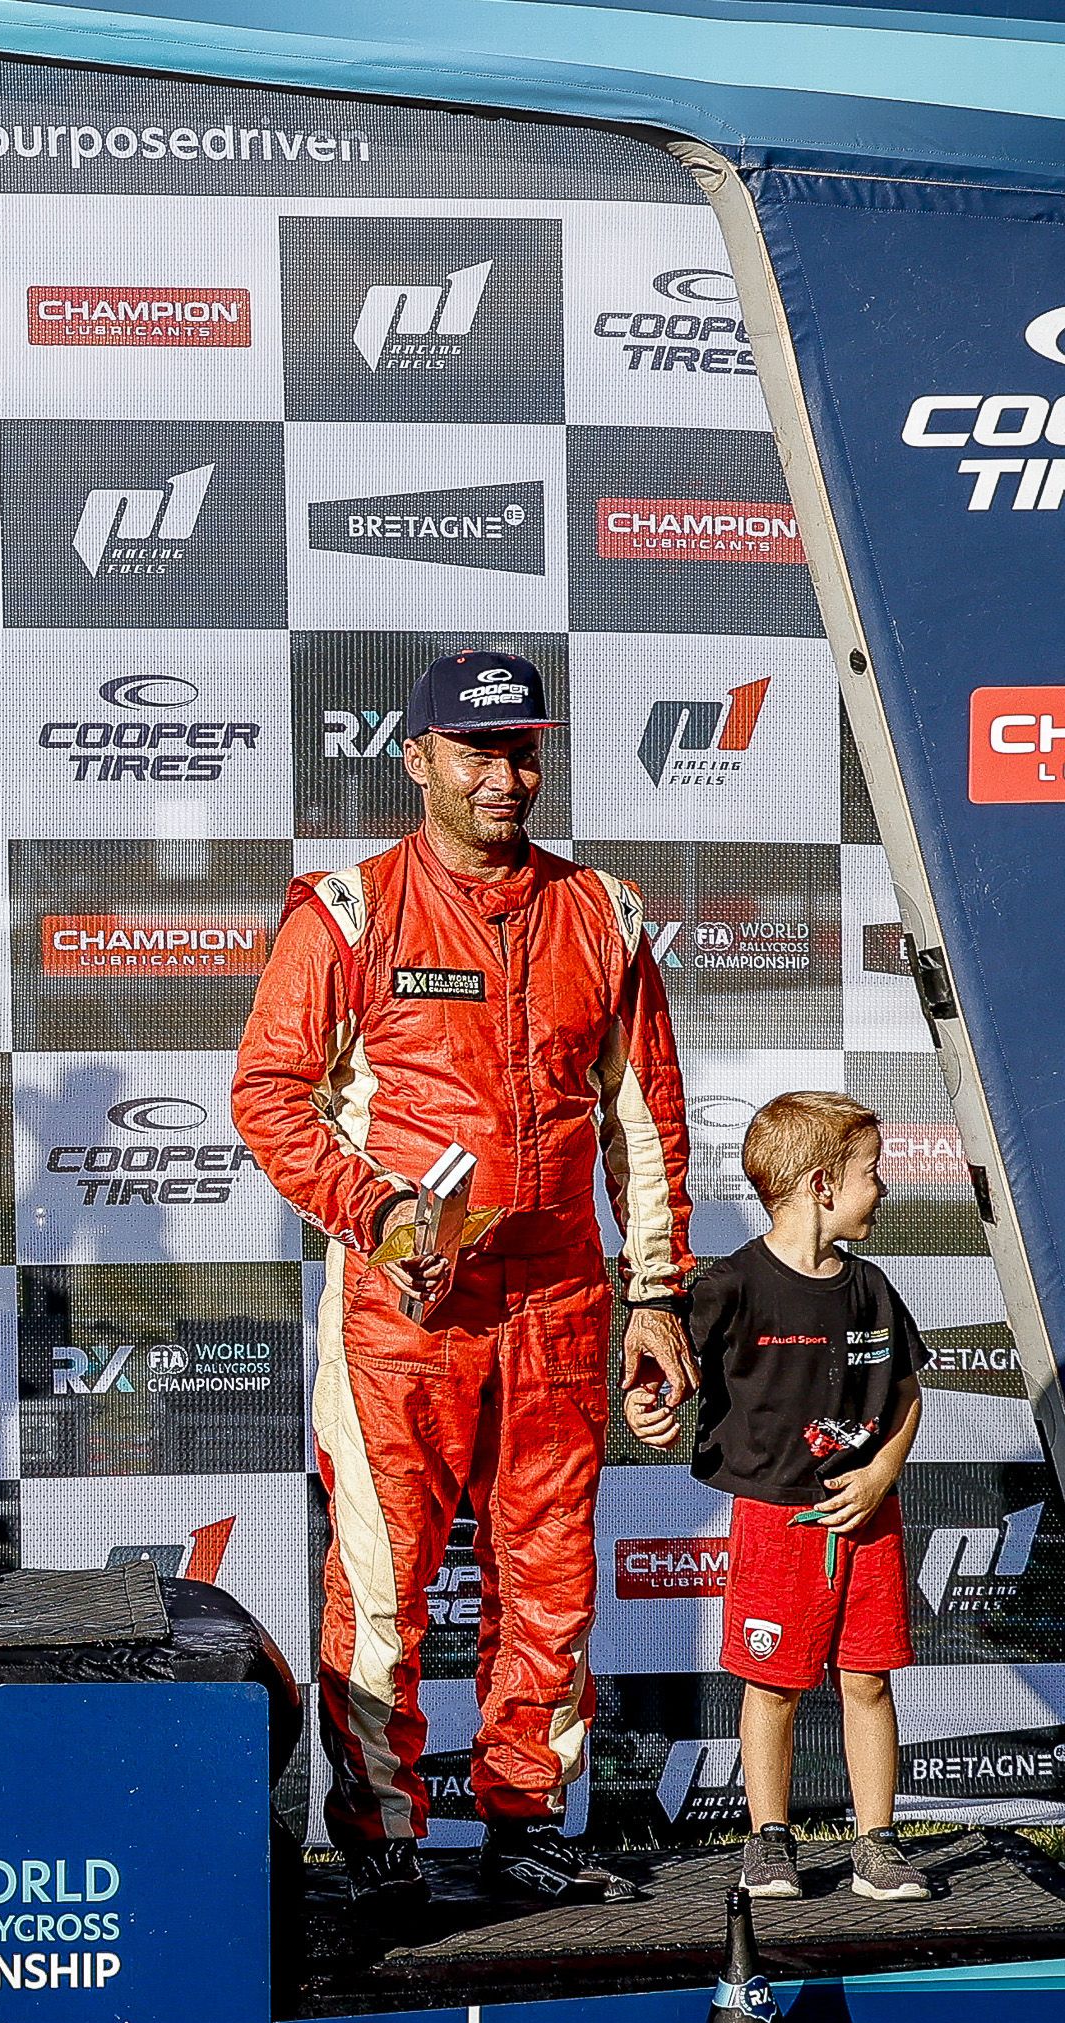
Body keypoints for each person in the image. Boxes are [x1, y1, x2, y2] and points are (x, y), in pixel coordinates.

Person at [231, 649, 695, 1913]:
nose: (506, 776)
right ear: (417, 757)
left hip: (559, 1298)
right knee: (384, 1585)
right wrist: (379, 1210)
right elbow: (270, 1096)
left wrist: (657, 1296)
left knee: (548, 1571)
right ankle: (381, 1833)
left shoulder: (603, 911)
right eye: (478, 752)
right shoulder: (349, 910)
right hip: (405, 1307)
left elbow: (642, 1120)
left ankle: (524, 1818)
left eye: (524, 751)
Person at [635, 1091, 932, 1903]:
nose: (884, 1189)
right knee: (772, 1685)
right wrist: (644, 1404)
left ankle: (878, 1842)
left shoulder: (872, 1288)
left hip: (868, 1518)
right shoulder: (729, 1284)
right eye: (873, 1173)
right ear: (821, 1184)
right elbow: (660, 1374)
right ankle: (768, 1842)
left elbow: (907, 1399)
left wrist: (878, 1476)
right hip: (774, 1521)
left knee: (868, 1678)